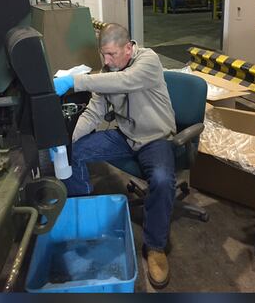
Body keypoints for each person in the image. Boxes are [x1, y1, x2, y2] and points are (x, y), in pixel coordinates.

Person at [52, 23, 176, 289]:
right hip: (126, 136)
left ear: (129, 48)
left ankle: (155, 247)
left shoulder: (148, 61)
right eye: (103, 56)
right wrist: (66, 143)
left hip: (154, 138)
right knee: (77, 152)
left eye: (112, 55)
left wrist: (75, 81)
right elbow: (93, 113)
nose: (106, 62)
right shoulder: (107, 73)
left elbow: (126, 81)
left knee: (163, 179)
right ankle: (82, 215)